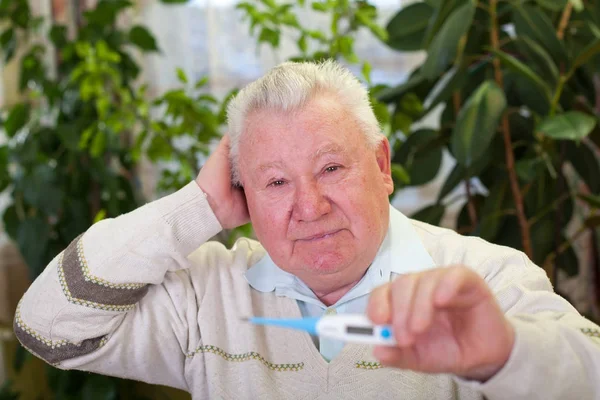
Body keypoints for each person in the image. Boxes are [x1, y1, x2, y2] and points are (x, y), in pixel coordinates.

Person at [14, 60, 600, 400]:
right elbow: (46, 329)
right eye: (274, 183)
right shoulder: (206, 294)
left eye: (331, 168)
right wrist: (197, 208)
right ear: (242, 196)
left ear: (382, 166)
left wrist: (502, 353)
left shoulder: (480, 277)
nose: (310, 207)